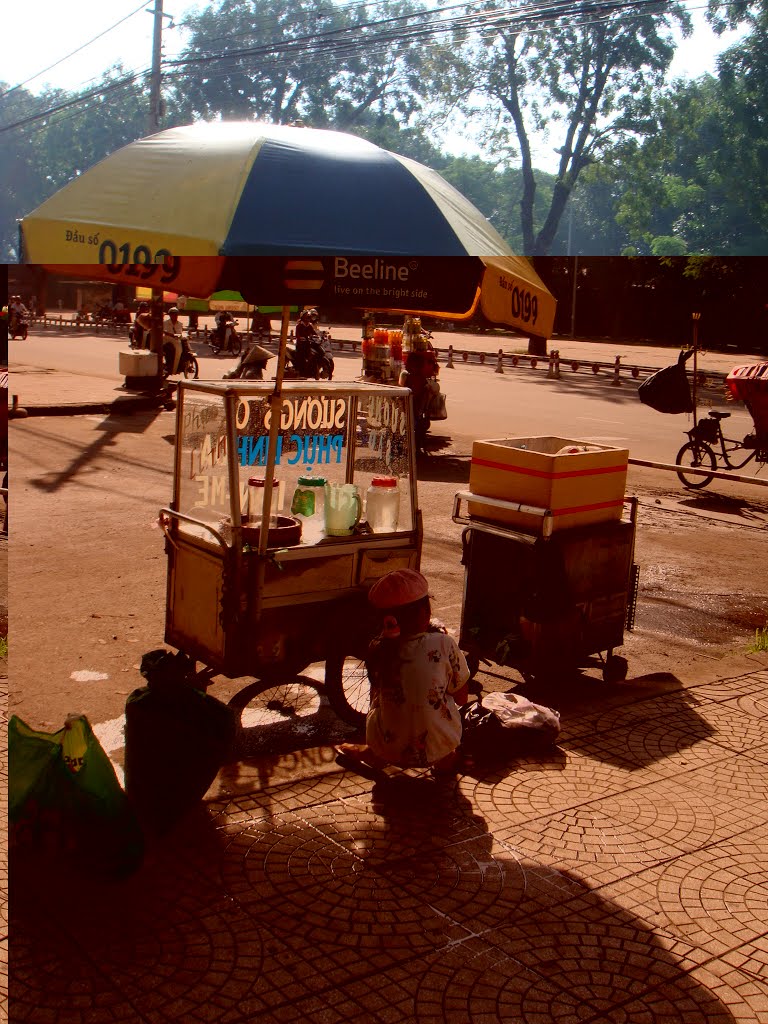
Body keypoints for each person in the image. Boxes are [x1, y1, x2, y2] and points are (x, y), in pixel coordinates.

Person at [335, 569, 470, 778]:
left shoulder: (378, 649)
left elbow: (376, 699)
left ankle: (374, 754)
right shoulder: (444, 644)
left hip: (387, 747)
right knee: (443, 706)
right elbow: (461, 698)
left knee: (384, 706)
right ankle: (445, 758)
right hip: (438, 745)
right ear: (425, 612)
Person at [162, 306, 185, 372]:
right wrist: (171, 335)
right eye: (173, 314)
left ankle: (180, 366)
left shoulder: (180, 324)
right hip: (167, 341)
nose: (175, 316)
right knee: (171, 350)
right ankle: (170, 367)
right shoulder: (165, 323)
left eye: (176, 314)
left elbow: (180, 332)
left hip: (177, 341)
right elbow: (164, 331)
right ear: (170, 315)